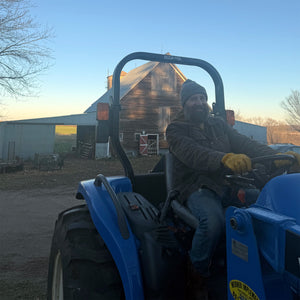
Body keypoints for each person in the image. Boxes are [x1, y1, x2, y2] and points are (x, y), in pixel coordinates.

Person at [166, 79, 300, 299]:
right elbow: (193, 153)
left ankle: (262, 263)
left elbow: (244, 143)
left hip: (228, 183)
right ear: (184, 104)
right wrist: (224, 158)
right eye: (193, 99)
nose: (198, 103)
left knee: (264, 207)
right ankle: (196, 272)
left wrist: (275, 157)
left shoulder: (218, 124)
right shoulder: (175, 130)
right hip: (196, 187)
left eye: (202, 98)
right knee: (213, 222)